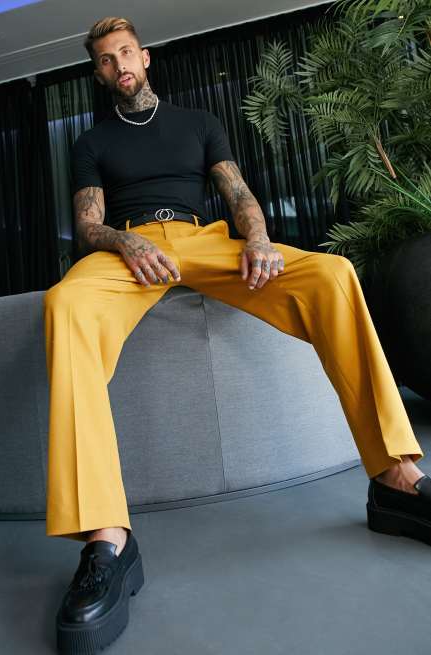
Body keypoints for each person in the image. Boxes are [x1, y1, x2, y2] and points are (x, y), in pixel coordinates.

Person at [43, 16, 431, 655]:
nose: (119, 66)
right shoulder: (90, 141)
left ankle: (397, 476)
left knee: (332, 274)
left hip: (203, 240)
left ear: (145, 57)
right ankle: (106, 538)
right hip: (127, 250)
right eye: (105, 61)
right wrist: (123, 241)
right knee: (64, 304)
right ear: (99, 73)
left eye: (125, 53)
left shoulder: (199, 123)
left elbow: (239, 192)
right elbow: (88, 225)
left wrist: (257, 238)